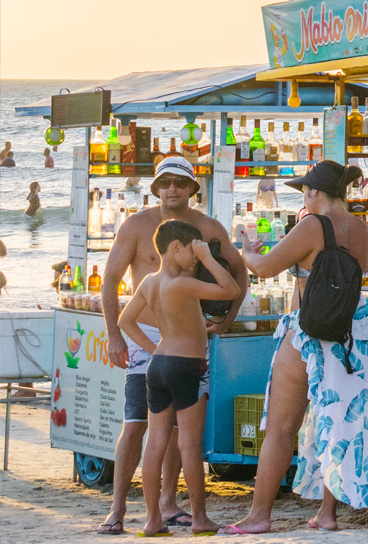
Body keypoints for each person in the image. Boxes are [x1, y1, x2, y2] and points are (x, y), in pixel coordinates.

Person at [225, 161, 368, 534]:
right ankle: (327, 514)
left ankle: (259, 516)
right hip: (351, 336)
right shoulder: (363, 231)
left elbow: (264, 268)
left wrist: (244, 251)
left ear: (313, 192)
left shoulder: (313, 225)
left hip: (307, 334)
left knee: (281, 427)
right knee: (337, 424)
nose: (304, 197)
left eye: (304, 191)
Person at [97, 156, 246, 535]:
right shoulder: (136, 225)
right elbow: (110, 280)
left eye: (180, 183)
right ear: (156, 188)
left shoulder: (208, 227)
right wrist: (119, 338)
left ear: (193, 188)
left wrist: (226, 320)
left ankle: (166, 504)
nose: (172, 189)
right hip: (154, 342)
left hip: (179, 346)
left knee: (176, 434)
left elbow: (239, 270)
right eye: (165, 183)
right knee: (135, 426)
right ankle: (116, 511)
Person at [120, 220, 239, 537]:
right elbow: (232, 290)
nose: (196, 258)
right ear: (175, 248)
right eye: (192, 250)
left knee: (155, 443)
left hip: (158, 365)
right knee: (188, 443)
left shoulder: (149, 282)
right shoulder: (182, 284)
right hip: (187, 365)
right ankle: (200, 518)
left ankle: (152, 520)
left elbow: (125, 321)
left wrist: (154, 349)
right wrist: (211, 259)